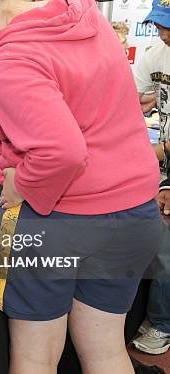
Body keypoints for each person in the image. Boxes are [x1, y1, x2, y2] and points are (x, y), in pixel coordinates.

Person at [0, 0, 163, 373]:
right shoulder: (89, 20)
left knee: (35, 357)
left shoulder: (11, 60)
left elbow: (63, 152)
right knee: (105, 351)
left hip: (59, 218)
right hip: (134, 211)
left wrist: (24, 186)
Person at [132, 0, 170, 356]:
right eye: (160, 24)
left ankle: (161, 323)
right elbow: (126, 98)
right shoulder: (154, 53)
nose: (164, 32)